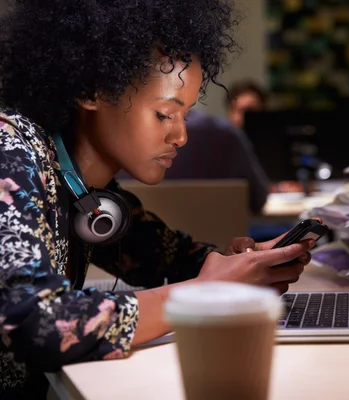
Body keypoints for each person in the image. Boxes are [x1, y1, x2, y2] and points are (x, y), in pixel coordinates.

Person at [0, 1, 316, 398]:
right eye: (165, 114)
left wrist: (236, 268)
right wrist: (204, 293)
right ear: (91, 91)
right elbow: (34, 321)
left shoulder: (88, 191)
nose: (180, 137)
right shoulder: (12, 157)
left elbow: (166, 257)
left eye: (186, 115)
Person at [117, 107, 271, 214]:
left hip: (139, 255)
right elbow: (258, 200)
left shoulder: (120, 140)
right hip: (222, 253)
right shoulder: (227, 135)